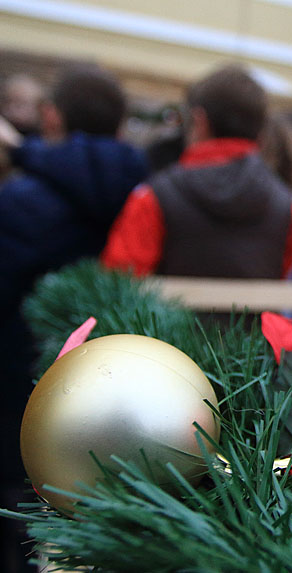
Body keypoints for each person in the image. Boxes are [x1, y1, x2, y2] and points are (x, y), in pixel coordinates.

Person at [0, 62, 147, 573]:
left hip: (18, 384)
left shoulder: (19, 199)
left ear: (52, 116)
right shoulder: (145, 191)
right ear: (120, 125)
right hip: (124, 396)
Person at [102, 65, 292, 280]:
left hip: (166, 314)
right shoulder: (291, 210)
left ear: (200, 121)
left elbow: (118, 285)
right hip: (255, 315)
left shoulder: (153, 196)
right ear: (261, 133)